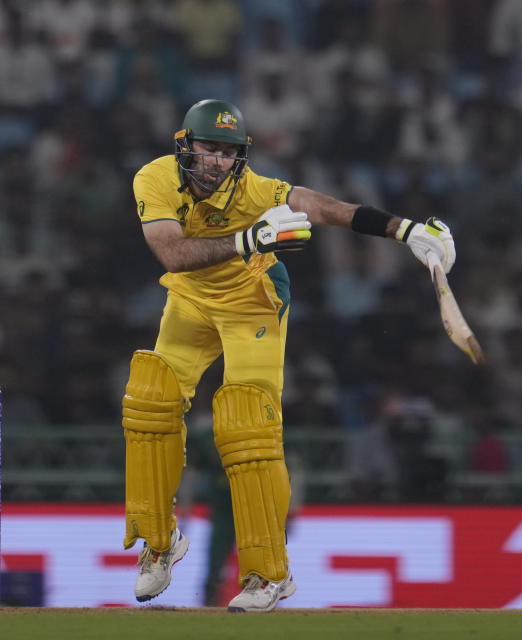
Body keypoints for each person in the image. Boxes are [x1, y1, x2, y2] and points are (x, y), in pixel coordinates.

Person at [122, 99, 456, 613]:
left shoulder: (256, 190)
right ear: (185, 146)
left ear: (241, 156)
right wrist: (250, 237)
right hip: (191, 297)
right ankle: (159, 544)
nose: (217, 162)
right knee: (150, 399)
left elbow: (324, 209)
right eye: (208, 149)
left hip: (254, 298)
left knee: (246, 428)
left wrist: (405, 230)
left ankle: (268, 575)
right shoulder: (155, 178)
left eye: (228, 153)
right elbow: (172, 253)